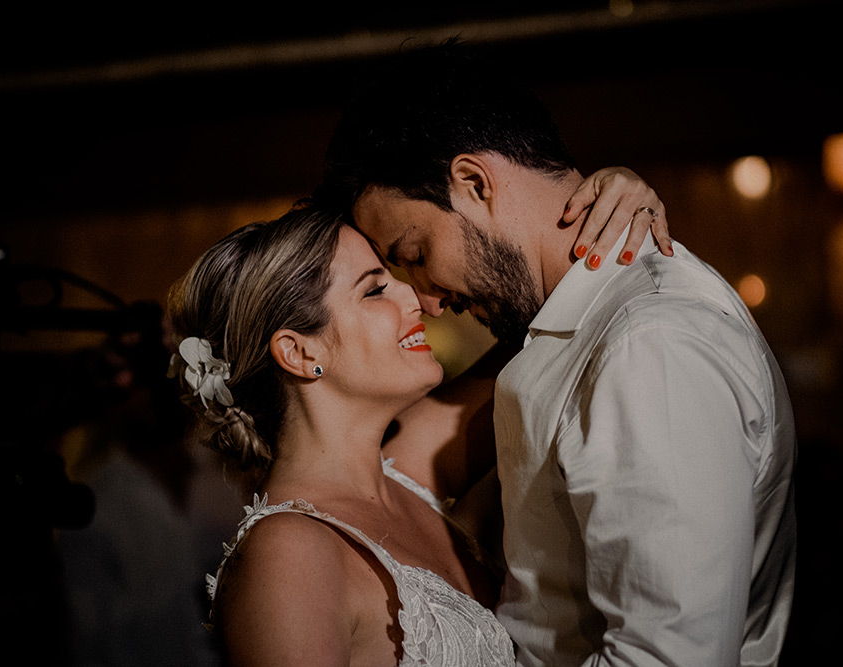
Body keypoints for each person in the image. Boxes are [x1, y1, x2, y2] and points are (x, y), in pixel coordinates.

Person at [319, 42, 797, 666]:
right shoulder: (574, 326)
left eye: (414, 255)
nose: (428, 303)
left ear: (473, 181)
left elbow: (666, 659)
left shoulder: (646, 347)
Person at [168, 187, 662, 665]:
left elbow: (551, 315)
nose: (415, 298)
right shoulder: (289, 554)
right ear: (300, 352)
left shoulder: (412, 467)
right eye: (376, 289)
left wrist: (611, 196)